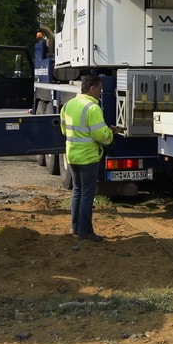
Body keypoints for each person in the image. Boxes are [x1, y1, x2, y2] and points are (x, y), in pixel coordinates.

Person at [60, 75, 115, 241]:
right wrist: (110, 134)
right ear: (92, 89)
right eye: (100, 89)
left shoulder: (68, 105)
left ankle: (75, 227)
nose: (100, 92)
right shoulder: (93, 108)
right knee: (87, 194)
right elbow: (100, 135)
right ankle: (85, 231)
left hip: (72, 155)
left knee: (77, 191)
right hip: (88, 157)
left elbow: (64, 130)